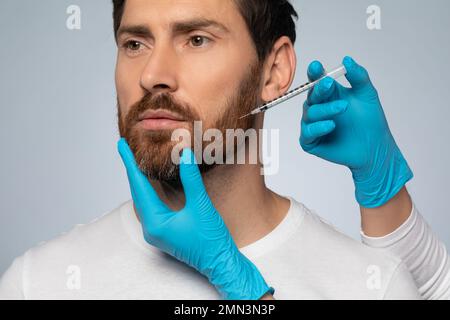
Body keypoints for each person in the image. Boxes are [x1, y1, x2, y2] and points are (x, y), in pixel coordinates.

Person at [0, 0, 446, 300]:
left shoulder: (371, 287)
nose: (153, 74)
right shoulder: (37, 284)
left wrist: (245, 292)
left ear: (273, 72)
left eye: (196, 39)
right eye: (135, 43)